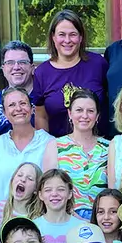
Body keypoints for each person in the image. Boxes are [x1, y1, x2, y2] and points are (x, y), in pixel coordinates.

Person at [32, 9, 109, 137]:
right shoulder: (42, 73)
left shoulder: (98, 64)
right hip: (60, 149)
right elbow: (41, 116)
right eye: (62, 34)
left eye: (73, 34)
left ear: (80, 37)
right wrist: (45, 147)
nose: (67, 40)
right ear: (53, 37)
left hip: (99, 148)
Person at [0, 86, 51, 223]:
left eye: (23, 103)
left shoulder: (49, 143)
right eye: (12, 105)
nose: (18, 109)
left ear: (32, 109)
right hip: (0, 224)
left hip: (37, 224)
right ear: (5, 113)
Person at [39, 89, 110, 217]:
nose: (85, 115)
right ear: (70, 114)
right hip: (66, 218)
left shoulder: (109, 147)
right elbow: (49, 189)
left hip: (102, 220)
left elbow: (112, 190)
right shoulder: (55, 146)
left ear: (97, 116)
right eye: (79, 110)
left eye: (90, 111)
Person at [33, 169, 82, 243]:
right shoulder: (33, 227)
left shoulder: (80, 227)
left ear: (69, 193)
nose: (54, 194)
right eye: (48, 190)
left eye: (60, 189)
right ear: (40, 195)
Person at [0, 162, 42, 232]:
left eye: (30, 178)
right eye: (20, 175)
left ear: (36, 189)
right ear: (12, 180)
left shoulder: (40, 218)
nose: (23, 179)